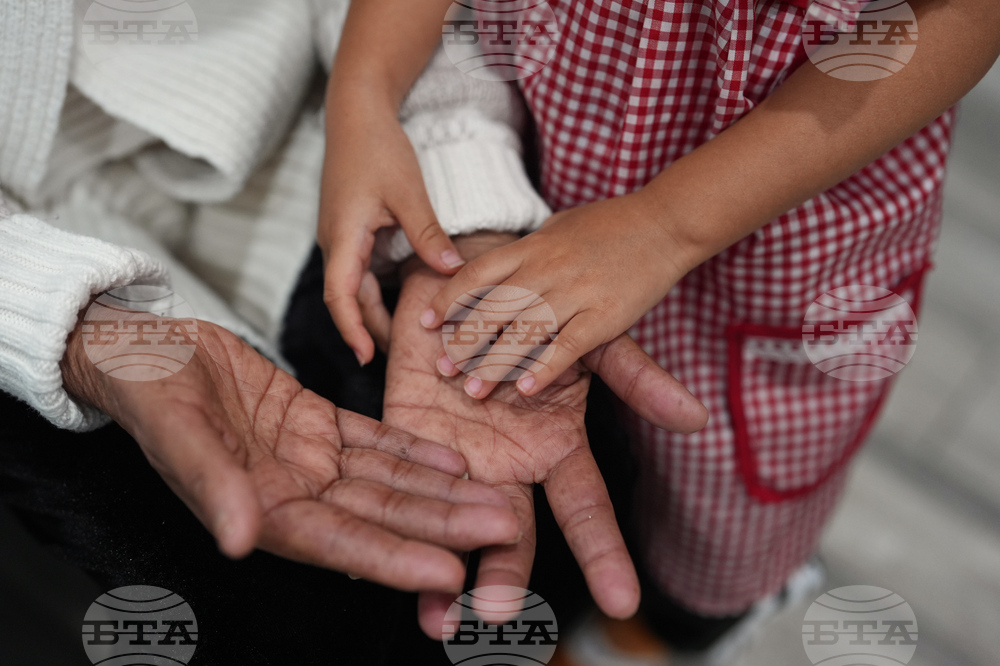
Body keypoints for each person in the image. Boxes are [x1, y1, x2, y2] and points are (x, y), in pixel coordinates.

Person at [0, 1, 706, 661]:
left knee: (547, 494)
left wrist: (456, 203)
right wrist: (67, 325)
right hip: (29, 288)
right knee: (285, 609)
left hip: (324, 134)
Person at [320, 0, 1000, 661]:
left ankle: (670, 634)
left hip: (786, 227)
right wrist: (364, 93)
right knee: (580, 471)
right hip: (551, 139)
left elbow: (967, 15)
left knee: (720, 522)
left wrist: (666, 224)